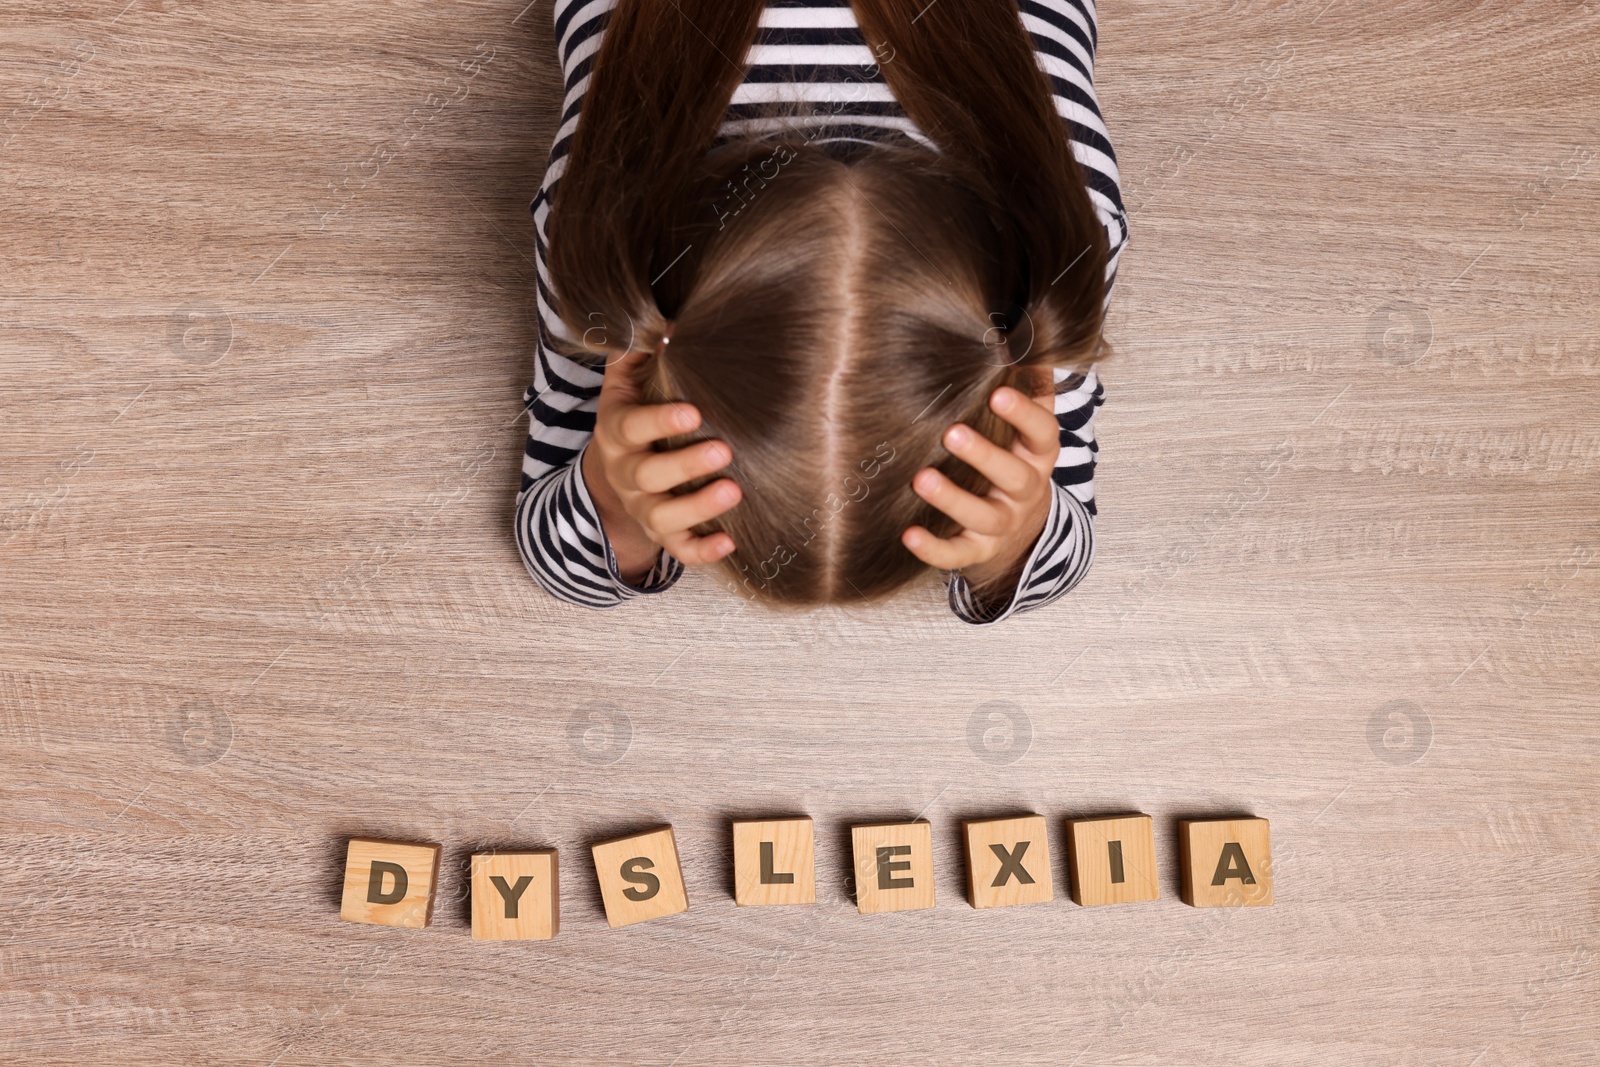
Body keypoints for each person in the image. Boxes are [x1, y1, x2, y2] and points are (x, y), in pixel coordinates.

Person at [514, 0, 1128, 624]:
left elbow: (1063, 556)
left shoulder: (1068, 236)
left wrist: (1019, 535)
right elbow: (557, 562)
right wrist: (617, 499)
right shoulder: (592, 224)